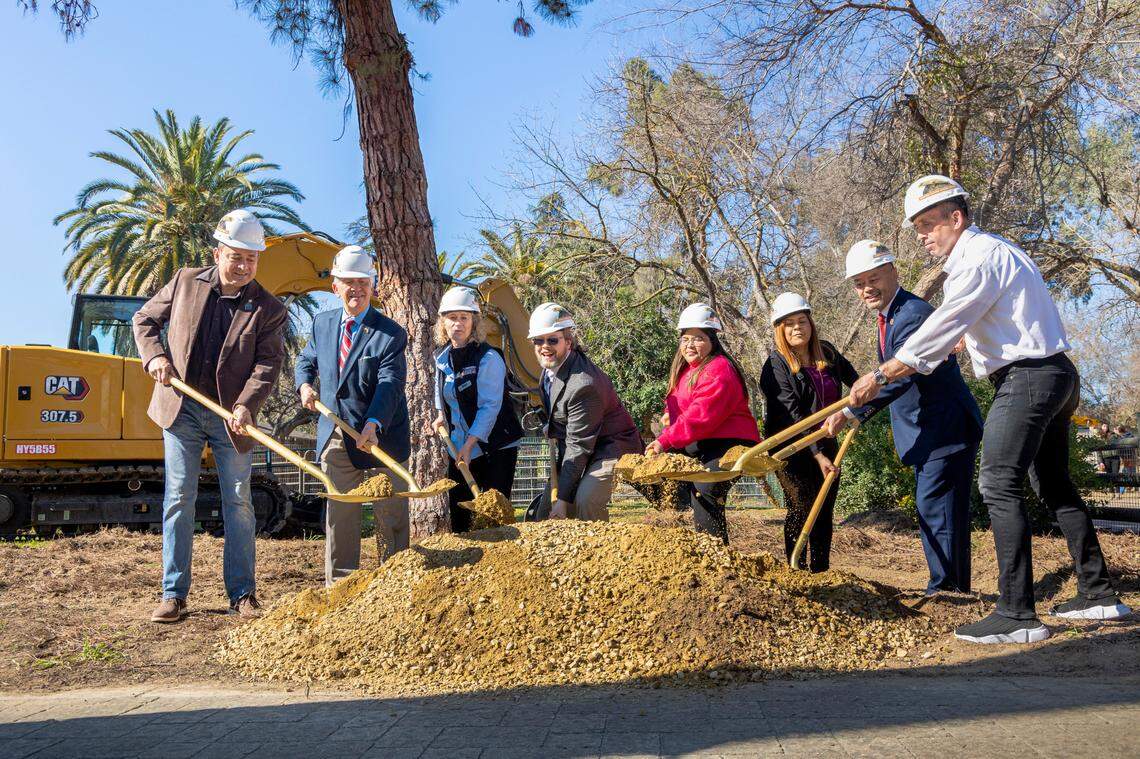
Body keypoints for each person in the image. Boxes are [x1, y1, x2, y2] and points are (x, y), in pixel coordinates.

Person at [849, 174, 1131, 644]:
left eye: (928, 224)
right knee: (1054, 483)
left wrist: (880, 374)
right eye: (917, 227)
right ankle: (1098, 592)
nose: (922, 236)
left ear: (956, 218)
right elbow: (992, 318)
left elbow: (945, 322)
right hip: (1058, 374)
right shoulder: (996, 251)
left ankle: (1017, 614)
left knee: (997, 482)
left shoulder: (976, 259)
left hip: (1028, 379)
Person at [132, 209, 287, 623]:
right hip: (179, 409)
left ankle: (242, 593)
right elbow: (144, 318)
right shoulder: (185, 281)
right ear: (217, 253)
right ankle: (173, 594)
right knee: (179, 497)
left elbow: (268, 365)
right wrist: (156, 358)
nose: (243, 266)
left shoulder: (267, 308)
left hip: (231, 418)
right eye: (236, 256)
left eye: (251, 259)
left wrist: (245, 405)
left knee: (238, 501)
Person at [824, 240, 983, 595]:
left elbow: (904, 375)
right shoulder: (891, 315)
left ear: (894, 272)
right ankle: (952, 587)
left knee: (936, 509)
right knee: (941, 510)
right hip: (935, 431)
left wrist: (851, 411)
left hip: (943, 428)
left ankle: (946, 589)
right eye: (860, 283)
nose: (867, 289)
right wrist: (849, 412)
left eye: (874, 278)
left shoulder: (911, 313)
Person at [296, 245, 411, 586]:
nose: (356, 289)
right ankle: (341, 586)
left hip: (381, 438)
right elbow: (305, 361)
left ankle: (394, 581)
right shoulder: (322, 324)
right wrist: (304, 385)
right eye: (348, 281)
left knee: (390, 512)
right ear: (335, 286)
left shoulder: (390, 333)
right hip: (335, 435)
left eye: (363, 281)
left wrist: (373, 424)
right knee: (341, 515)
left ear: (373, 286)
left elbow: (390, 384)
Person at [760, 292, 859, 572]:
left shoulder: (827, 353)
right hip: (791, 449)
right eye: (789, 323)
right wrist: (816, 454)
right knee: (802, 506)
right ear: (780, 329)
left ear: (811, 323)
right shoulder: (776, 365)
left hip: (827, 442)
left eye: (802, 321)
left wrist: (856, 408)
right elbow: (793, 415)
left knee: (824, 509)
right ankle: (796, 569)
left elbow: (859, 384)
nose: (797, 328)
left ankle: (820, 571)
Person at [644, 303, 760, 543]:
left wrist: (664, 440)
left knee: (705, 487)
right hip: (702, 441)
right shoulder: (686, 370)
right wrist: (670, 414)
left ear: (712, 340)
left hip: (729, 442)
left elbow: (701, 416)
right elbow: (680, 402)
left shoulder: (719, 369)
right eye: (685, 339)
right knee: (651, 471)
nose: (689, 345)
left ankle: (715, 554)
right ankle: (684, 525)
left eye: (698, 338)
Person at [530, 302, 642, 521]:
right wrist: (550, 427)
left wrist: (563, 502)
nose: (545, 346)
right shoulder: (548, 372)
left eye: (552, 340)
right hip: (580, 448)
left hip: (610, 448)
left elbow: (579, 445)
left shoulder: (584, 384)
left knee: (585, 500)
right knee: (544, 515)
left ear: (568, 342)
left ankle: (600, 553)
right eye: (538, 340)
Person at [431, 286, 524, 532]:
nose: (458, 324)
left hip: (496, 445)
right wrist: (441, 414)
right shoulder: (441, 357)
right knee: (459, 510)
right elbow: (440, 391)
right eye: (452, 318)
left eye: (464, 317)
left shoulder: (488, 358)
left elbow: (489, 407)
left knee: (494, 511)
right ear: (443, 322)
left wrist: (470, 444)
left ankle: (501, 559)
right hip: (459, 445)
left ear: (474, 322)